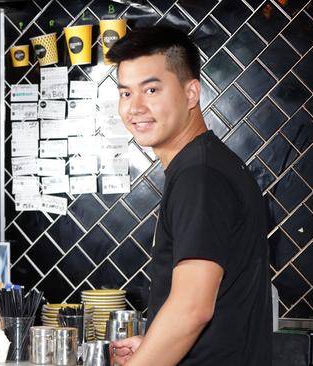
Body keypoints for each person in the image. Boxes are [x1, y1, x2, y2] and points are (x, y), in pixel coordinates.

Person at [106, 26, 271, 365]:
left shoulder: (200, 176)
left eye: (151, 89)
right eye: (125, 93)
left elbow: (192, 308)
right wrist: (154, 346)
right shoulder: (207, 164)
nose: (135, 107)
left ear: (192, 93)